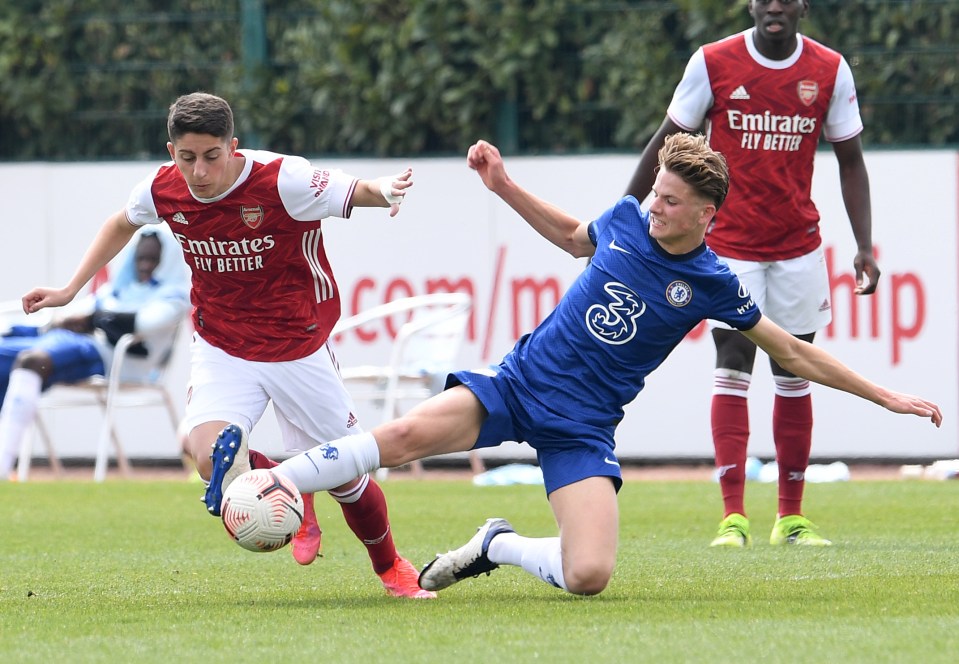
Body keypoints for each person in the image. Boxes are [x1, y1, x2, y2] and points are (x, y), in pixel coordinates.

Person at [260, 135, 940, 597]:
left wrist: (882, 396)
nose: (653, 207)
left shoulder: (711, 282)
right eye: (655, 194)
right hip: (519, 384)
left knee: (588, 576)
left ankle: (495, 545)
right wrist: (501, 185)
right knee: (403, 439)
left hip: (582, 427)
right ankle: (278, 482)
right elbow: (566, 235)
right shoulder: (624, 218)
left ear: (705, 215)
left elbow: (790, 352)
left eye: (670, 202)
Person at [22, 92, 435, 599]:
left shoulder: (284, 179)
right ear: (171, 151)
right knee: (210, 456)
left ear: (233, 147)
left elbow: (359, 191)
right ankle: (296, 498)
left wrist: (387, 190)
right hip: (222, 345)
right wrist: (70, 289)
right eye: (186, 157)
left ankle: (391, 565)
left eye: (211, 156)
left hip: (296, 346)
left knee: (348, 478)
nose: (199, 172)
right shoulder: (161, 188)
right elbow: (121, 221)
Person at [623, 0, 880, 547]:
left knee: (795, 369)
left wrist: (863, 244)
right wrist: (624, 211)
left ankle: (791, 517)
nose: (776, 6)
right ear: (752, 4)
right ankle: (732, 518)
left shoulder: (829, 69)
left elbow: (851, 159)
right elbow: (666, 141)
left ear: (801, 6)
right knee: (734, 358)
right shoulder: (713, 62)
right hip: (729, 243)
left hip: (797, 246)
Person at [0, 227, 190, 479]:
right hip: (73, 344)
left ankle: (2, 466)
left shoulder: (174, 296)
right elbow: (75, 313)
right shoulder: (118, 289)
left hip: (109, 359)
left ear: (166, 261)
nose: (144, 265)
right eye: (140, 258)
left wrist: (93, 320)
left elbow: (144, 322)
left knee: (32, 360)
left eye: (152, 259)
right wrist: (70, 319)